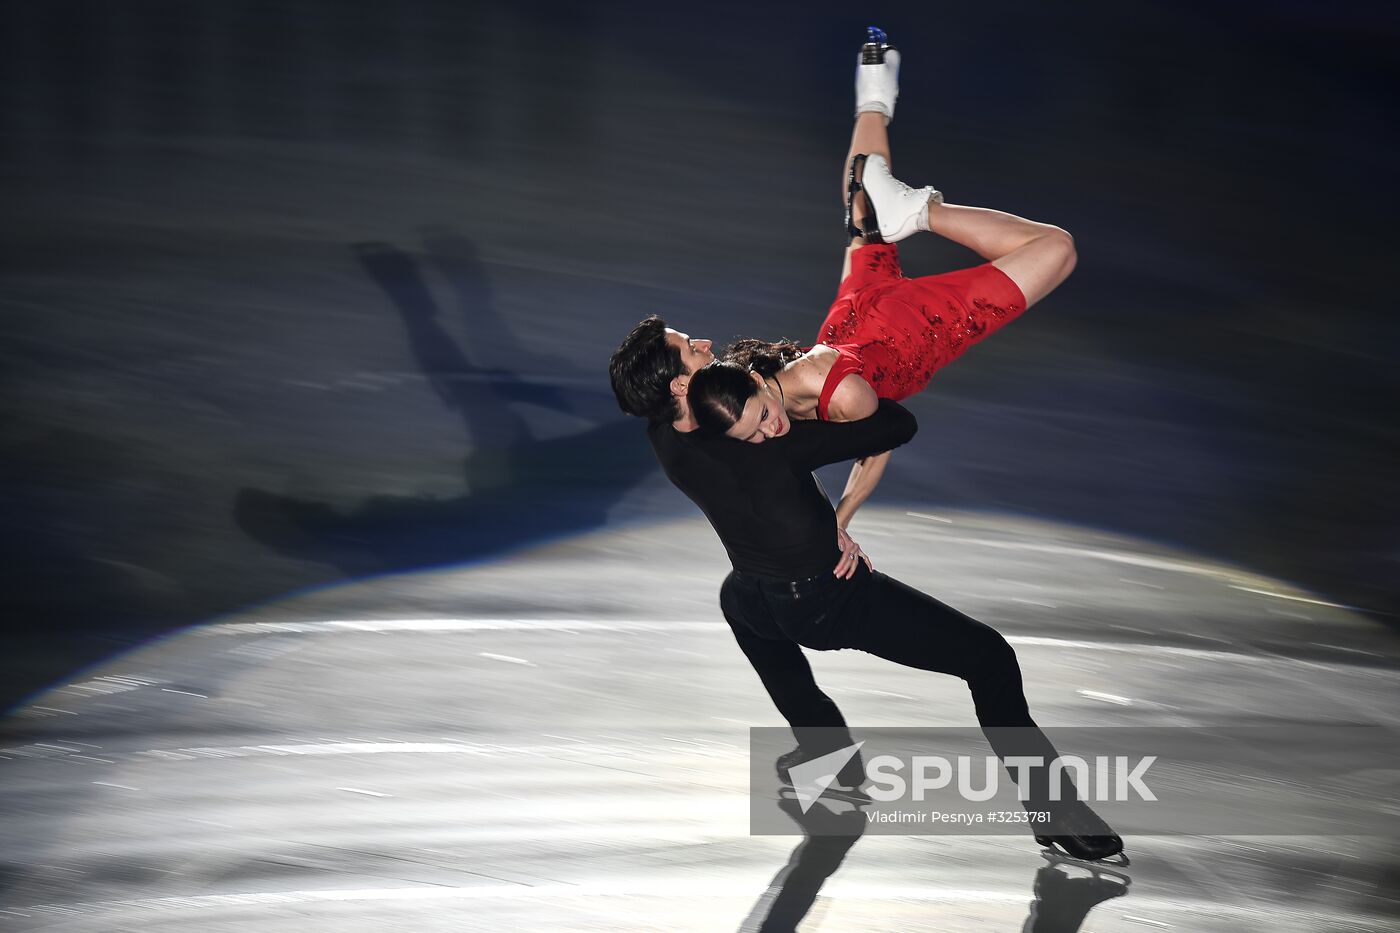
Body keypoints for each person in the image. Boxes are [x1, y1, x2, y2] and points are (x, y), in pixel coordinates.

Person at [690, 27, 1077, 529]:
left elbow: (879, 442)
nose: (771, 429)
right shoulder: (774, 385)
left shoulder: (845, 397)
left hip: (916, 327)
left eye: (762, 417)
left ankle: (921, 211)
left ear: (755, 383)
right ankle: (874, 83)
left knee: (1057, 249)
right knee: (862, 208)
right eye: (756, 434)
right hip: (855, 313)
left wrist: (842, 518)